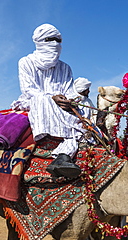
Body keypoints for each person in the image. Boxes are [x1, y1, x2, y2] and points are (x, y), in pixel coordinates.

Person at [11, 23, 88, 179]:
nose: (55, 44)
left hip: (62, 103)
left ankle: (64, 153)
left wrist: (71, 100)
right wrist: (52, 98)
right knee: (42, 101)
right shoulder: (26, 62)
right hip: (36, 100)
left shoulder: (65, 68)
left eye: (58, 40)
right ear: (39, 41)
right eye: (50, 39)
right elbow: (28, 89)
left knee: (85, 103)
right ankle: (57, 146)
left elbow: (69, 90)